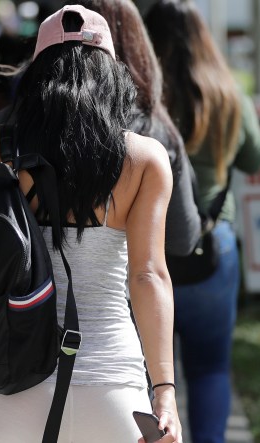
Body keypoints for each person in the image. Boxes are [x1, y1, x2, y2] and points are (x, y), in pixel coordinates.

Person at [0, 6, 182, 443]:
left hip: (12, 382)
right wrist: (164, 393)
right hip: (114, 387)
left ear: (37, 73)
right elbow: (148, 275)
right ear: (111, 73)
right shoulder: (144, 160)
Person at [145, 2, 260, 442]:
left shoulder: (142, 97)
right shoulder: (227, 93)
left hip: (146, 253)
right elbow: (256, 158)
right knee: (210, 368)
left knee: (147, 375)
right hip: (214, 249)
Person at [68, 0, 201, 258]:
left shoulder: (11, 126)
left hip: (21, 290)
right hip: (120, 290)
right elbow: (182, 237)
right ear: (136, 44)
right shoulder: (154, 134)